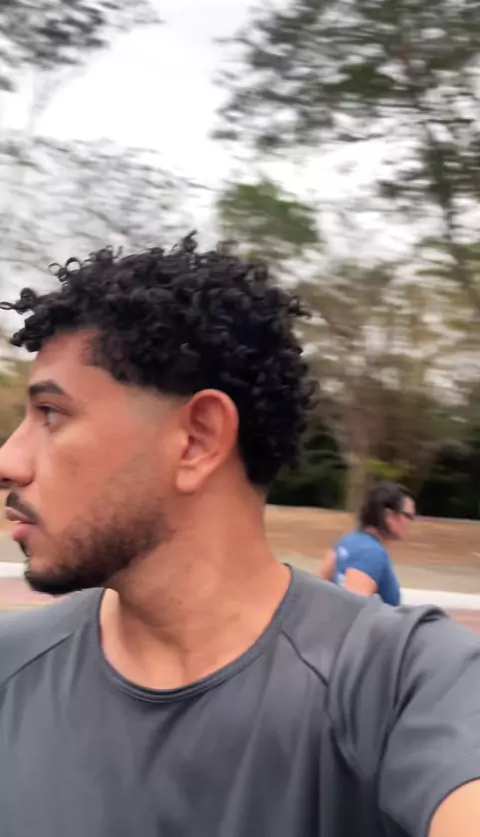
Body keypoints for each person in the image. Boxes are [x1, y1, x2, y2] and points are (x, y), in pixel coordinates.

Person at [0, 237, 479, 837]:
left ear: (198, 440)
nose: (9, 461)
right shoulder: (10, 666)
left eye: (51, 413)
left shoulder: (409, 682)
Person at [318, 481, 415, 605]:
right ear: (388, 515)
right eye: (408, 516)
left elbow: (319, 586)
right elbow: (353, 608)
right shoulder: (371, 553)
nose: (411, 522)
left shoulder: (347, 541)